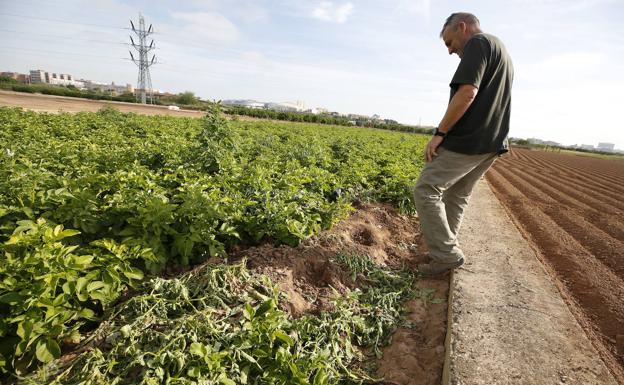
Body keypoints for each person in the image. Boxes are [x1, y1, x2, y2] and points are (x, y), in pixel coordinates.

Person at [413, 12, 513, 277]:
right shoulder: (500, 49)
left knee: (426, 188)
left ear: (462, 27)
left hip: (470, 138)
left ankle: (446, 254)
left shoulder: (478, 44)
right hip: (492, 141)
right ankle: (443, 253)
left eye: (449, 42)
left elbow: (467, 92)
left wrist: (440, 132)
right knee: (457, 195)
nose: (450, 50)